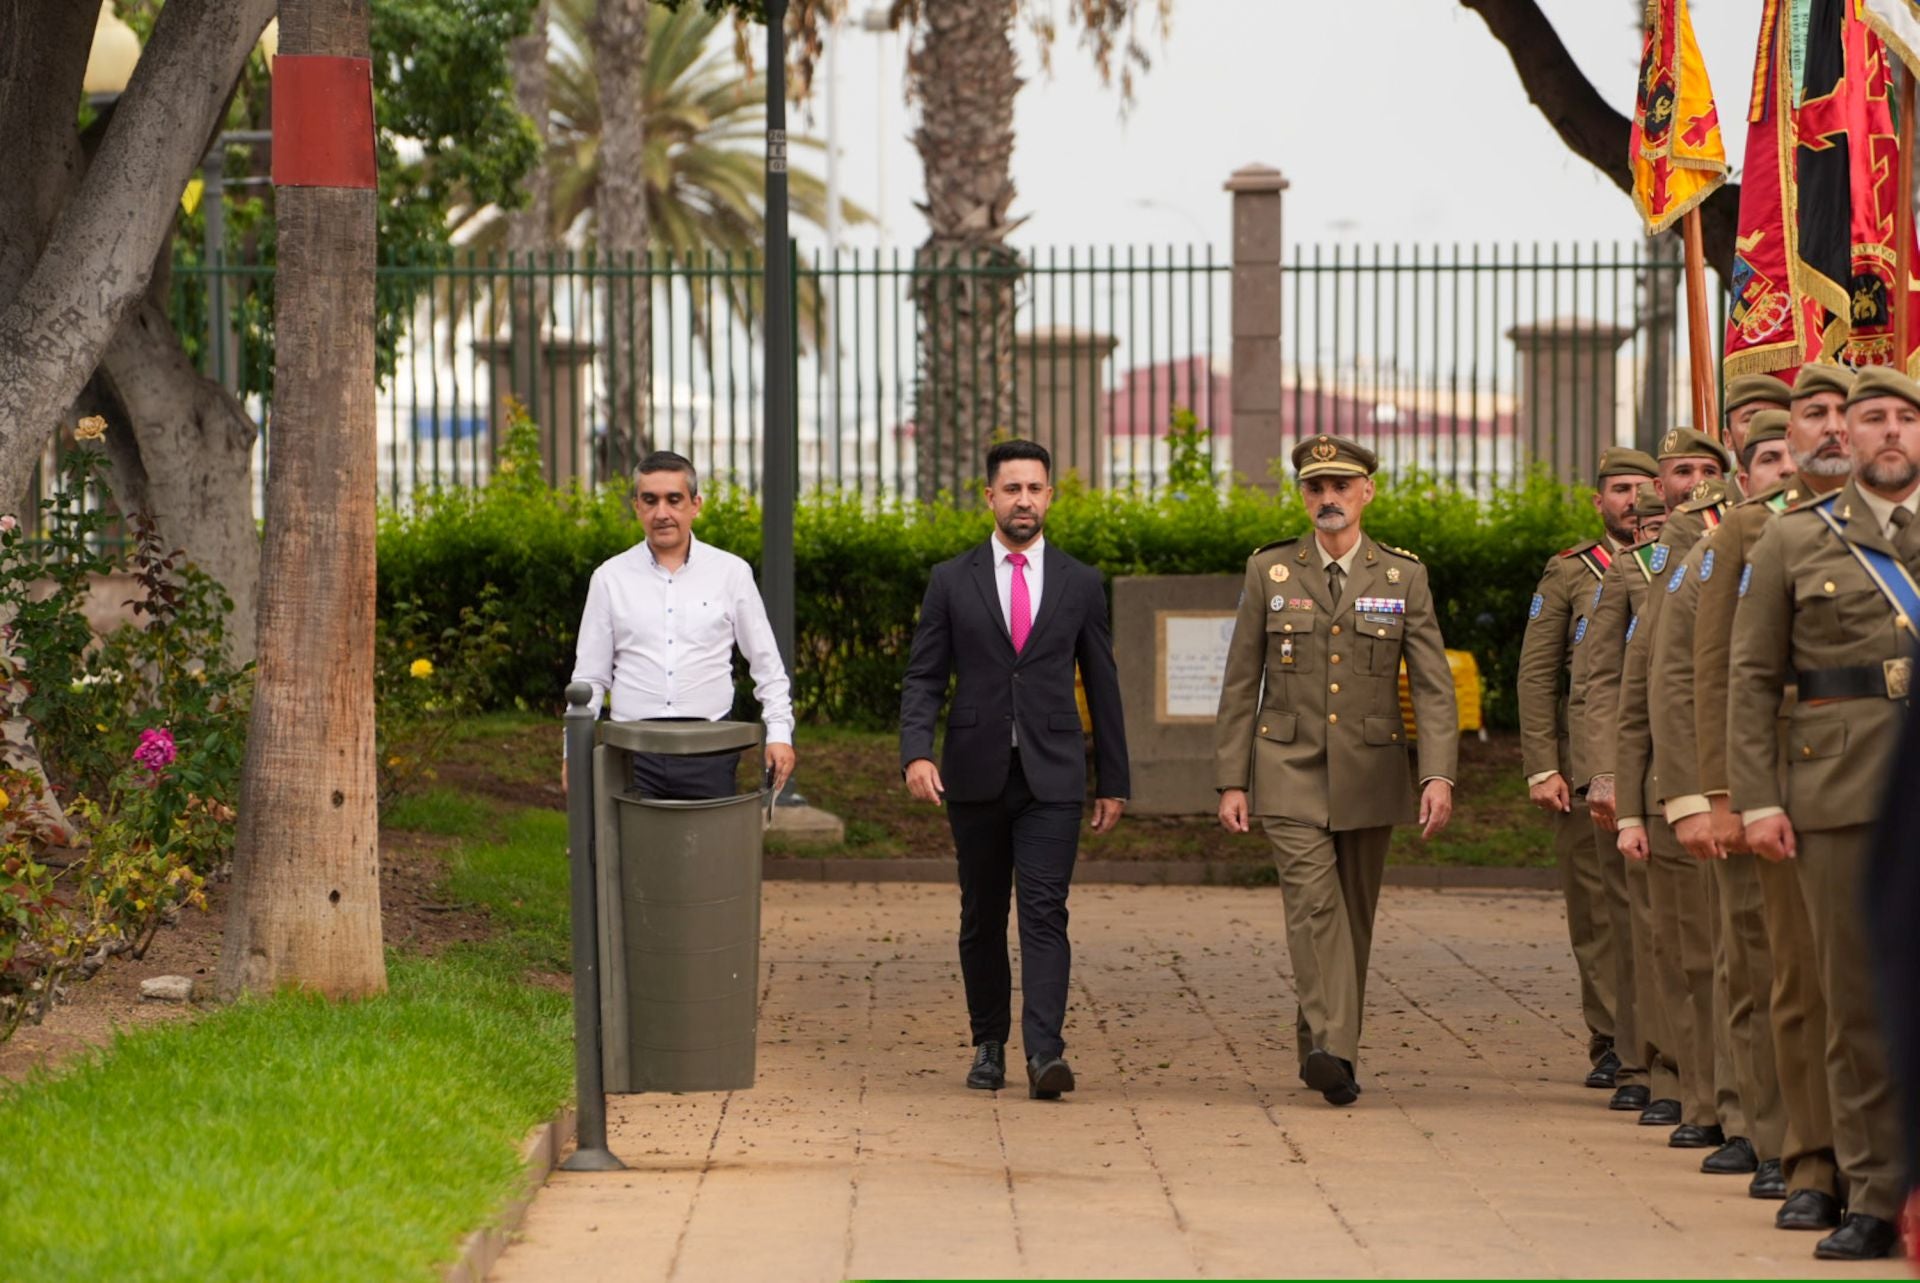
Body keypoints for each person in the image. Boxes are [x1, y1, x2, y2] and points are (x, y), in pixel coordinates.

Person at [1729, 364, 1920, 1261]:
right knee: (1856, 1002)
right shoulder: (1795, 541)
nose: (1882, 431)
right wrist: (1758, 798)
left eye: (1898, 418)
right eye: (1868, 417)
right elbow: (1752, 678)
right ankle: (1872, 1192)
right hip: (1842, 798)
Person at [1213, 434, 1458, 1108]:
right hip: (1287, 764)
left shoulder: (1404, 575)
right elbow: (1242, 680)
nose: (1328, 498)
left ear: (1366, 492)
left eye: (1341, 486)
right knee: (1313, 904)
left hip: (1372, 768)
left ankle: (1319, 1044)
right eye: (1316, 486)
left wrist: (1438, 774)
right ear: (1301, 495)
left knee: (1351, 918)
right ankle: (1336, 1050)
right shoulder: (1270, 571)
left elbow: (1434, 686)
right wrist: (1232, 778)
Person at [898, 439, 1130, 1101]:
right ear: (990, 497)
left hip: (1053, 774)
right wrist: (917, 750)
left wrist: (1112, 778)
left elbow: (1102, 683)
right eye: (1011, 488)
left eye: (1034, 488)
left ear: (1050, 496)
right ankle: (989, 1043)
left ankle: (1045, 1053)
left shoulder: (1081, 582)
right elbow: (922, 677)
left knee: (1044, 912)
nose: (1023, 499)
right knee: (981, 914)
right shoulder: (951, 579)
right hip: (973, 774)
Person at [1690, 363, 1856, 1230]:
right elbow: (1725, 673)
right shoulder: (1761, 535)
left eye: (1850, 412)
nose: (1834, 428)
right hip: (1801, 781)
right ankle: (1812, 1156)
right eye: (1815, 412)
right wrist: (1726, 792)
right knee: (1800, 980)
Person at [1646, 414, 1801, 1198]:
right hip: (1750, 781)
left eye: (1791, 453)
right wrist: (1702, 792)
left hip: (1838, 778)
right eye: (1766, 457)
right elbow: (1686, 677)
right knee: (1751, 962)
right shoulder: (1718, 551)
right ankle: (1757, 1125)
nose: (1783, 468)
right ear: (1743, 476)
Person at [1516, 444, 1657, 1092]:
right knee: (1597, 912)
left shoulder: (1674, 562)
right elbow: (1538, 674)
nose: (1632, 499)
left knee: (1656, 911)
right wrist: (1544, 765)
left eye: (1642, 487)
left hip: (1662, 764)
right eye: (1620, 488)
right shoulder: (1572, 572)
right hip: (1587, 768)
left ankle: (1656, 1036)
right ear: (1599, 500)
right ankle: (1609, 1034)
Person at [569, 450, 796, 801]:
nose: (662, 513)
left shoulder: (731, 573)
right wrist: (573, 751)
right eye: (650, 500)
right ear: (636, 506)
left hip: (710, 752)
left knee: (707, 852)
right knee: (631, 854)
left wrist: (780, 734)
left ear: (695, 504)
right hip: (630, 752)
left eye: (674, 500)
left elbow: (767, 665)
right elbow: (589, 679)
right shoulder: (609, 578)